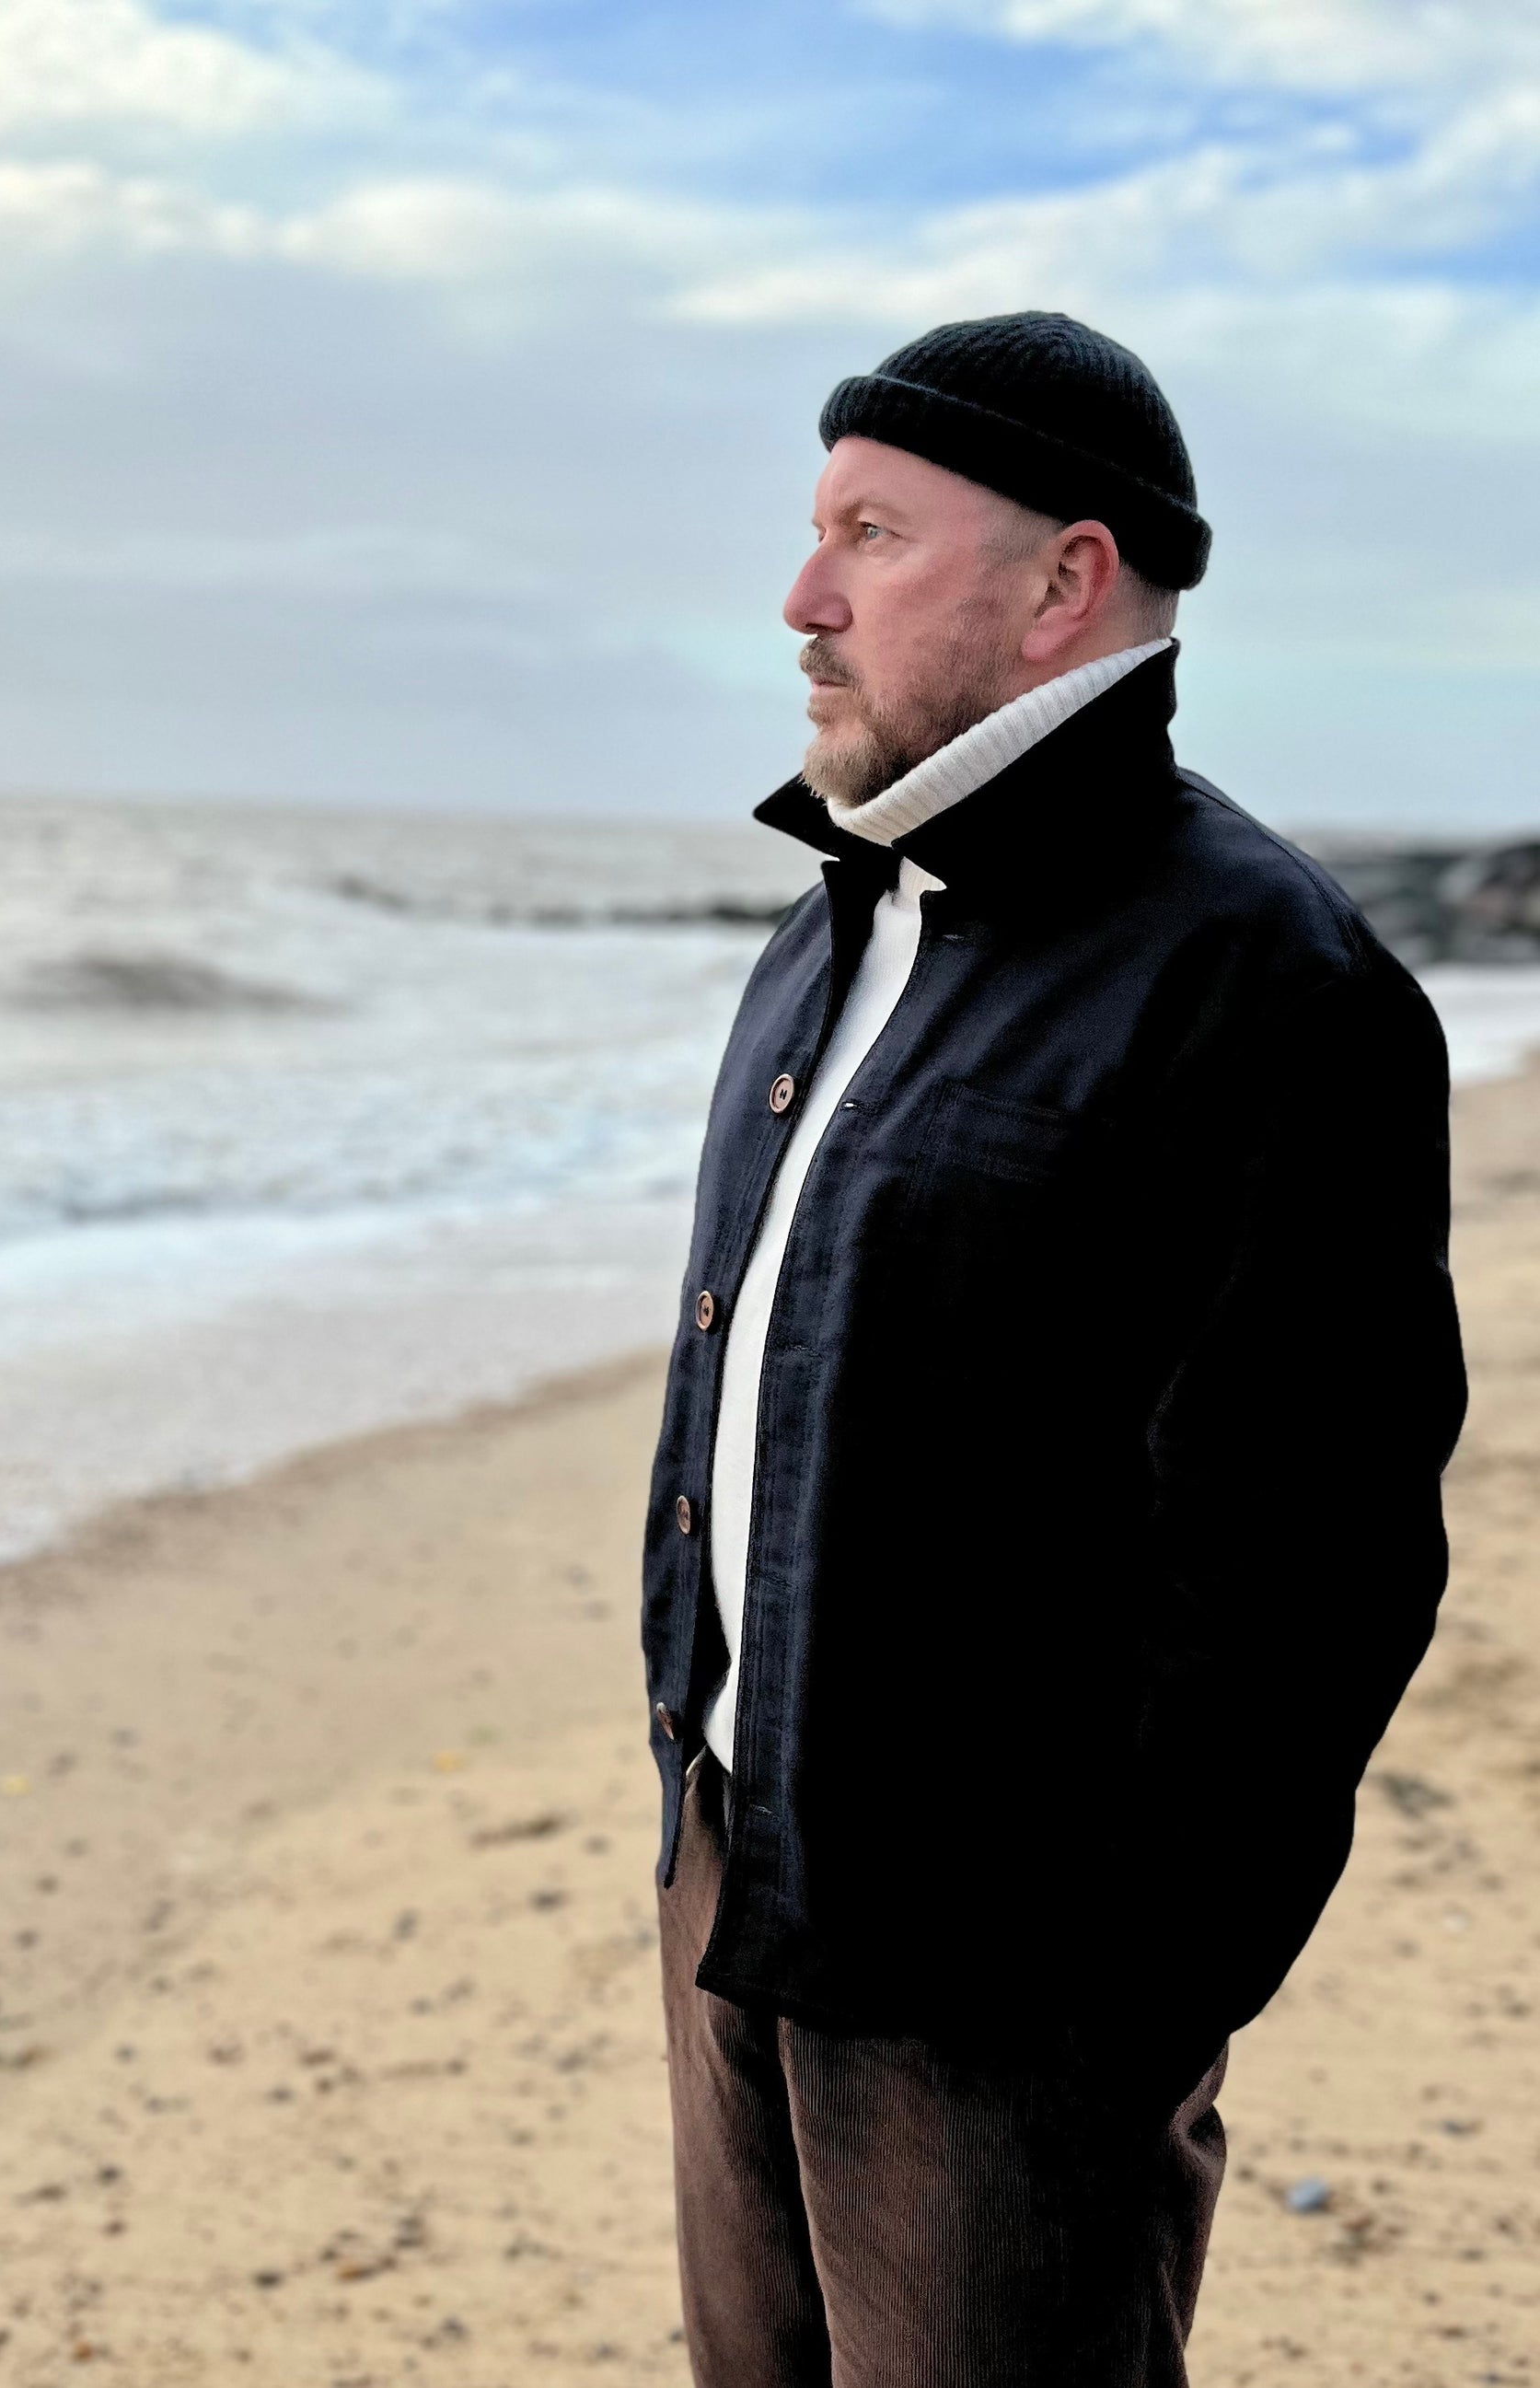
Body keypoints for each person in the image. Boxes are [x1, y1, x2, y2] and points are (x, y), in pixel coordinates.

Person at [641, 310, 1467, 2386]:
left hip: (1009, 1970)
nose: (801, 597)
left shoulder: (1260, 974)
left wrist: (1127, 1993)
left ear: (1063, 581)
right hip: (735, 1850)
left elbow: (1316, 1558)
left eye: (869, 534)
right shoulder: (836, 918)